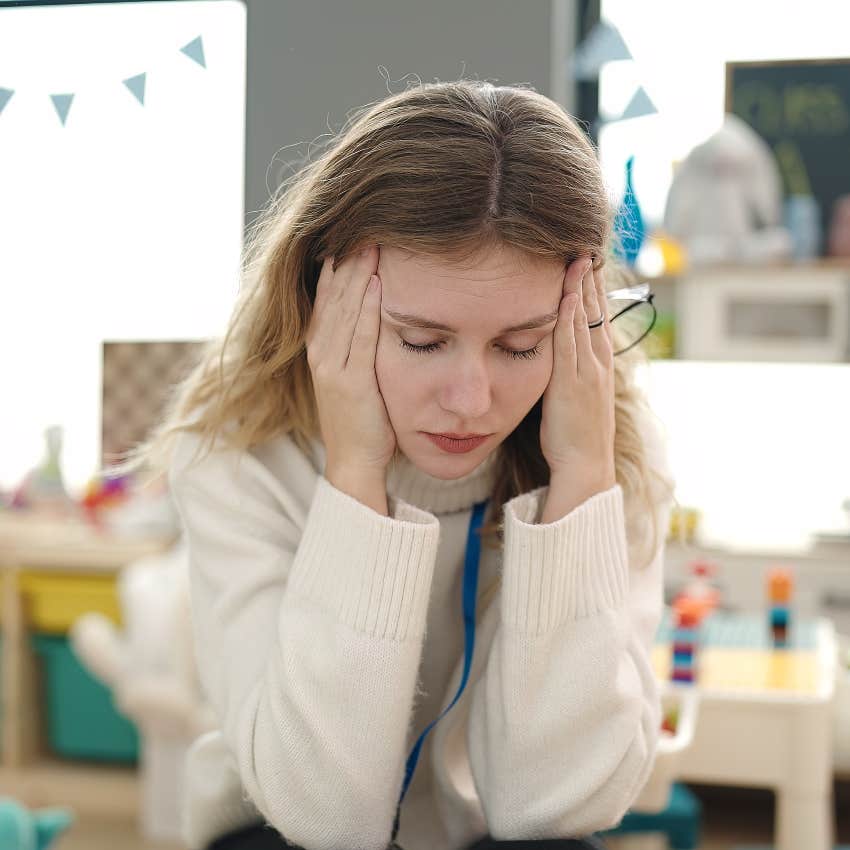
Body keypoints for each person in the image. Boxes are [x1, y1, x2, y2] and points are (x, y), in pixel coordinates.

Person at [125, 79, 676, 850]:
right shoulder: (235, 452)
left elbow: (554, 808)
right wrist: (355, 476)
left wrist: (579, 481)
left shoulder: (611, 446)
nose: (472, 399)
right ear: (325, 300)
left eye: (522, 346)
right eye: (422, 341)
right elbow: (324, 816)